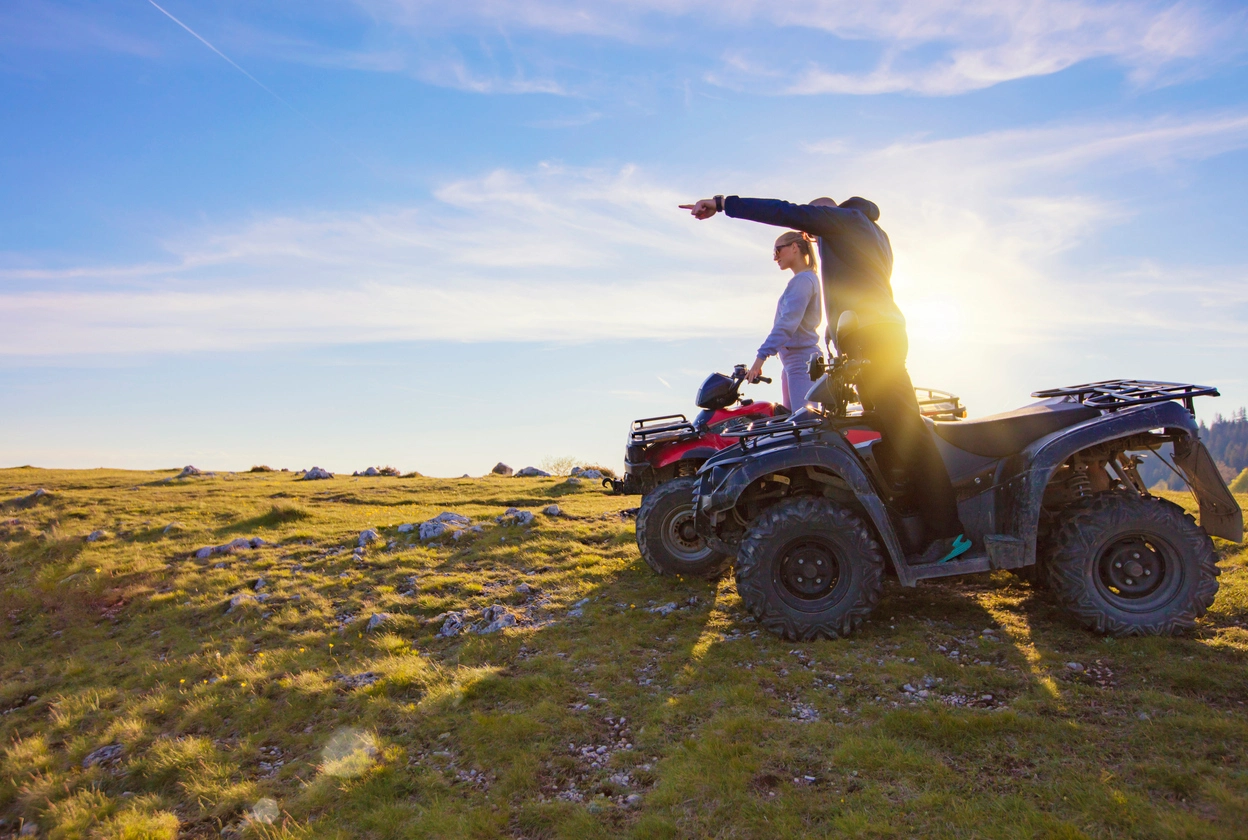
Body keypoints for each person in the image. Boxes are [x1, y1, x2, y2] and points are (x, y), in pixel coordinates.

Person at [679, 193, 971, 565]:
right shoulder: (872, 234)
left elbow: (783, 210)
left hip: (872, 339)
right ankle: (915, 526)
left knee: (906, 431)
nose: (811, 236)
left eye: (812, 228)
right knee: (891, 430)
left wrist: (722, 203)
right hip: (873, 338)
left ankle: (950, 534)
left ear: (824, 214)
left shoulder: (844, 221)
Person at [750, 230, 823, 412]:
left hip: (801, 361)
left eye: (777, 250)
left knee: (805, 426)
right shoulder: (803, 280)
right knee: (791, 426)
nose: (775, 257)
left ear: (794, 247)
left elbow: (787, 323)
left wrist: (761, 357)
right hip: (792, 362)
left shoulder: (803, 281)